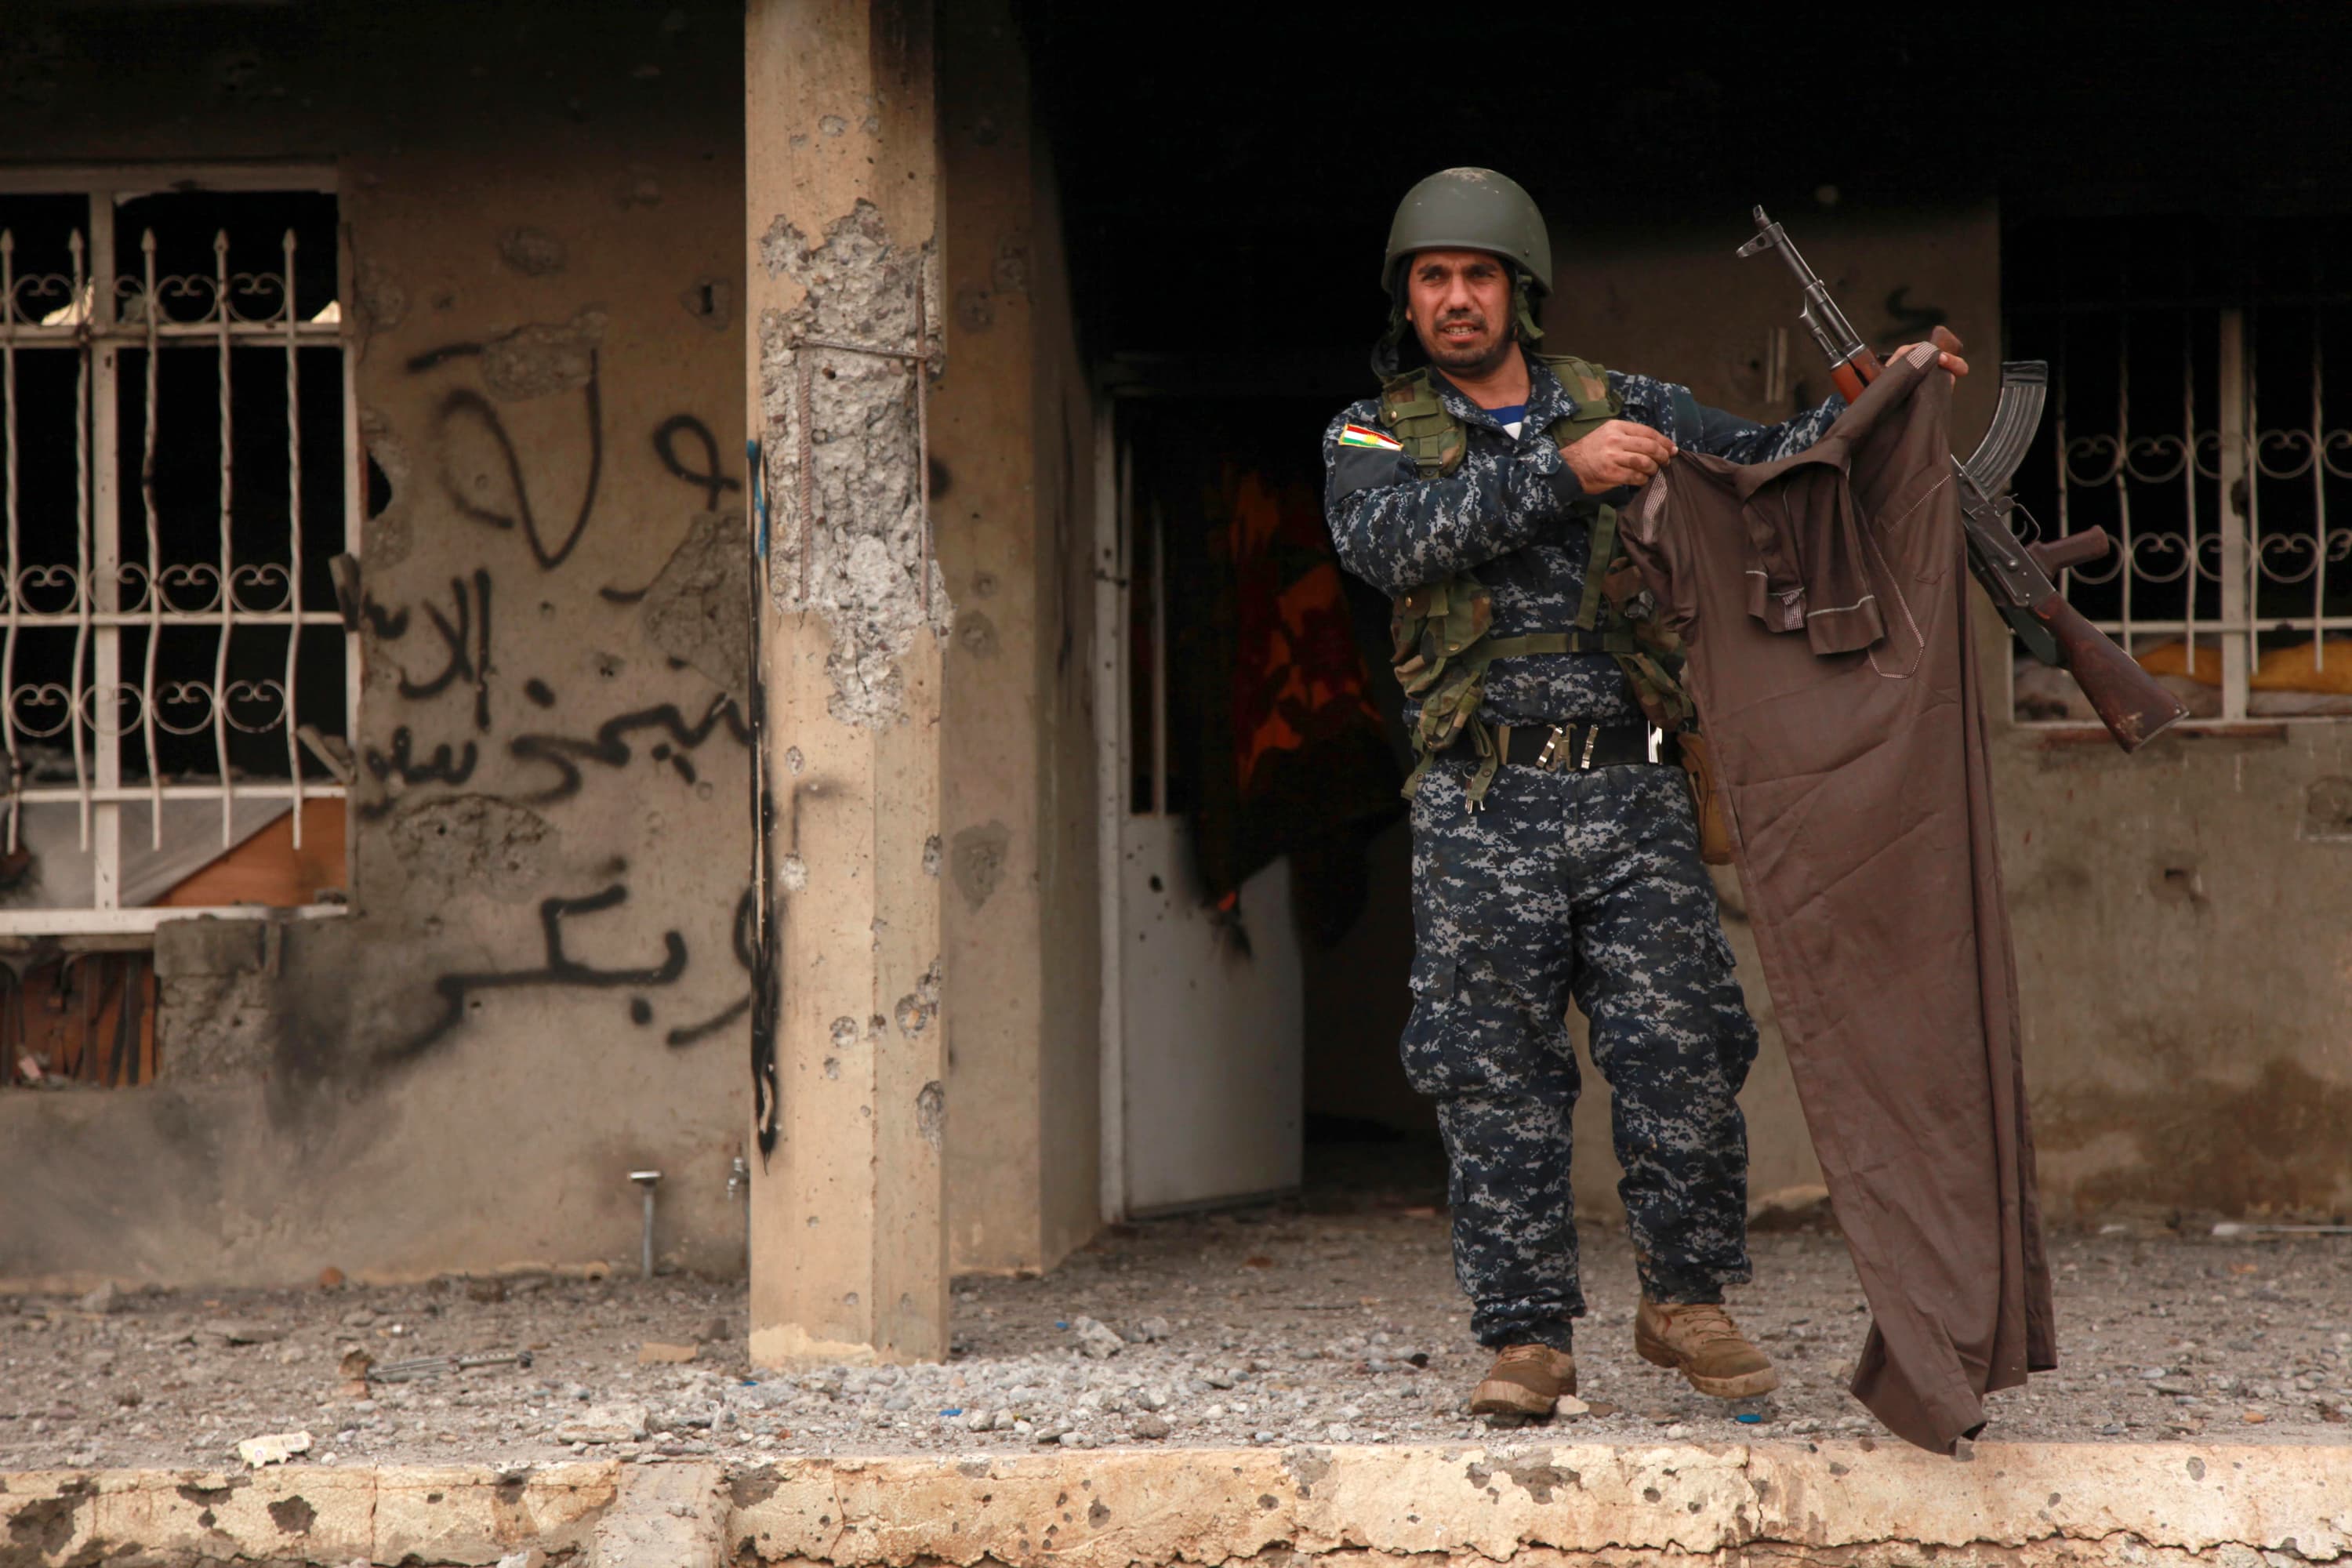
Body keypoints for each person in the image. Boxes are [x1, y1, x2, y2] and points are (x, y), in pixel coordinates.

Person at [1320, 167, 1965, 1420]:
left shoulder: (1629, 403)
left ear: (1522, 292)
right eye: (1434, 279)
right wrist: (1568, 475)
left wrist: (1876, 395)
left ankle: (1687, 1303)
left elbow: (1774, 468)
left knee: (1683, 1052)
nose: (1456, 299)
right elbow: (1385, 543)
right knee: (1493, 1073)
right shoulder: (1373, 431)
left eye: (1479, 277)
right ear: (1409, 297)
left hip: (1637, 795)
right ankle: (1526, 1341)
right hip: (1479, 803)